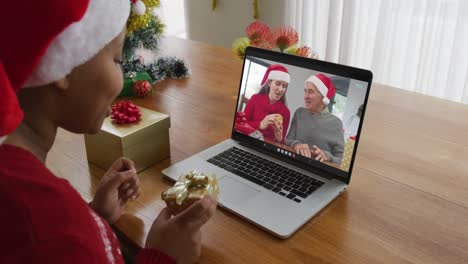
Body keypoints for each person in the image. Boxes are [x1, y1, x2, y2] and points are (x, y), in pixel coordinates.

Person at [0, 1, 216, 263]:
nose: (123, 75)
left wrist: (94, 217)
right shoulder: (57, 230)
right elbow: (60, 244)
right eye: (117, 59)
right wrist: (163, 257)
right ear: (64, 64)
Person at [286, 73, 344, 164]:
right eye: (305, 91)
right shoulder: (299, 113)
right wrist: (296, 144)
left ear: (323, 96)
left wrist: (326, 155)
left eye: (310, 91)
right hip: (293, 163)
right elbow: (287, 141)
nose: (305, 96)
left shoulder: (336, 123)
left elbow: (340, 160)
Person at [244, 64, 291, 143]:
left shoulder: (286, 112)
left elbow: (281, 143)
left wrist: (279, 137)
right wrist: (260, 124)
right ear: (269, 83)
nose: (281, 89)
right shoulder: (255, 99)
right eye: (278, 84)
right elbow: (241, 124)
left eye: (284, 86)